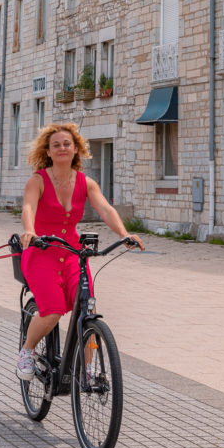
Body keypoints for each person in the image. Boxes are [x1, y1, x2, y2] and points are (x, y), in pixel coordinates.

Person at [16, 122, 144, 381]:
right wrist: (29, 231)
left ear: (76, 149)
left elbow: (106, 209)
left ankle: (87, 370)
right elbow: (28, 208)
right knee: (51, 311)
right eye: (56, 145)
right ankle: (26, 352)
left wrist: (124, 234)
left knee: (87, 310)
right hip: (41, 253)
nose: (62, 148)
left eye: (67, 144)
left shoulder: (86, 182)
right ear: (48, 152)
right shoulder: (37, 180)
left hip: (73, 255)